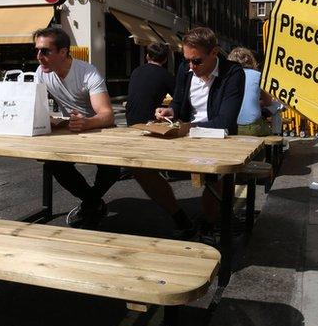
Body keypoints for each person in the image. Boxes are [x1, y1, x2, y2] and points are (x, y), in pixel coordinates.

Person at [155, 27, 245, 232]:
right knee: (140, 167)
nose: (191, 66)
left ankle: (209, 225)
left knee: (215, 176)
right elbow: (178, 103)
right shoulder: (185, 70)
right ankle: (179, 216)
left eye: (196, 61)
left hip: (218, 139)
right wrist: (170, 112)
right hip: (186, 136)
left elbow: (225, 121)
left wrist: (186, 127)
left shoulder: (233, 73)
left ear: (214, 52)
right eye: (187, 60)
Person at [33, 26, 116, 228]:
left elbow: (107, 115)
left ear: (63, 52)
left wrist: (87, 122)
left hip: (99, 130)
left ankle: (89, 203)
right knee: (52, 162)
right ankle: (92, 202)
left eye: (45, 51)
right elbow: (34, 107)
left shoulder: (87, 72)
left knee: (112, 168)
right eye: (36, 50)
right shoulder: (41, 73)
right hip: (72, 129)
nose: (38, 56)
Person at [126, 43, 195, 238]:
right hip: (150, 123)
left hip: (130, 123)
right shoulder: (165, 75)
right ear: (165, 60)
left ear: (147, 56)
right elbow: (179, 100)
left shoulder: (137, 71)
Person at [227, 47, 272, 137]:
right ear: (251, 60)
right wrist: (257, 103)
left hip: (231, 127)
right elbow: (268, 102)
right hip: (252, 127)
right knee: (269, 129)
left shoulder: (226, 77)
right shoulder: (259, 76)